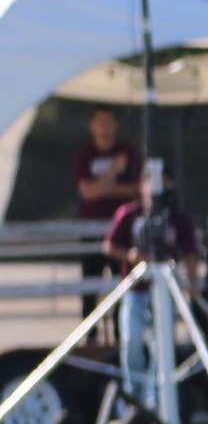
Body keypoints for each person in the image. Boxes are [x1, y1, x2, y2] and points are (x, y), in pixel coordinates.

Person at [102, 167, 202, 405]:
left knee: (162, 347)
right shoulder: (130, 213)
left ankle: (156, 400)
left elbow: (190, 252)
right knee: (131, 343)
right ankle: (133, 398)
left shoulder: (178, 218)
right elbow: (109, 245)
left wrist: (193, 283)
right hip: (135, 290)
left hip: (164, 291)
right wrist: (130, 256)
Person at [71, 107, 141, 316]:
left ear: (115, 125)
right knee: (90, 285)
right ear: (92, 125)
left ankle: (121, 336)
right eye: (100, 122)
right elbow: (87, 193)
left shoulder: (129, 152)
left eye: (109, 122)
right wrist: (113, 173)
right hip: (91, 229)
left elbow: (137, 189)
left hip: (121, 231)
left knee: (122, 285)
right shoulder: (84, 155)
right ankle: (89, 338)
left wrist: (101, 188)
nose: (105, 127)